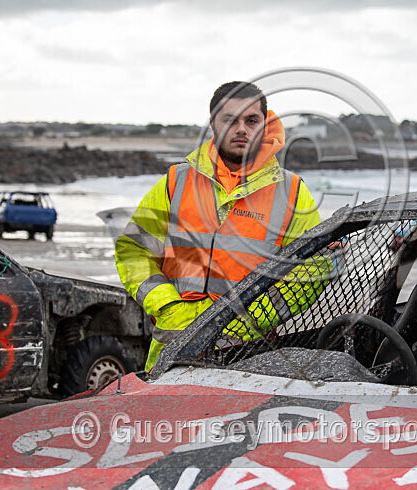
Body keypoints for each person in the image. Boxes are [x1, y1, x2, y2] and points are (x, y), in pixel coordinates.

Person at [115, 81, 324, 371]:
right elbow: (134, 250)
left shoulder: (292, 192)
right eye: (230, 120)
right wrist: (165, 305)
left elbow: (316, 267)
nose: (241, 129)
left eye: (251, 120)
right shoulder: (176, 182)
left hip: (250, 358)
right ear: (213, 123)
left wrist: (255, 315)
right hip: (172, 354)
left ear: (265, 124)